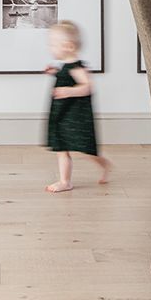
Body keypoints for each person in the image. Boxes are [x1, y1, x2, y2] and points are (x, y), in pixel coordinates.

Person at [44, 20, 110, 193]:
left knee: (87, 149)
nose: (50, 47)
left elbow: (88, 87)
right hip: (63, 116)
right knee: (61, 147)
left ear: (68, 46)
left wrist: (68, 91)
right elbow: (67, 77)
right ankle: (65, 181)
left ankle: (104, 165)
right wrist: (55, 73)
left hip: (75, 116)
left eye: (53, 44)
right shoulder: (66, 66)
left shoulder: (76, 67)